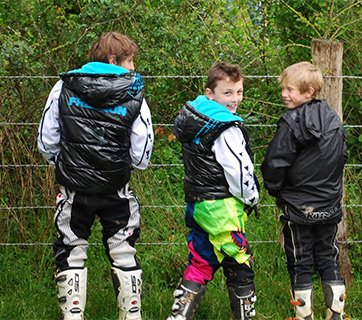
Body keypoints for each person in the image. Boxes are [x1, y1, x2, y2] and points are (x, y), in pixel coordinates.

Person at [37, 31, 154, 320]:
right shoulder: (133, 91)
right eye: (130, 61)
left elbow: (46, 140)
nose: (133, 68)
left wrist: (64, 165)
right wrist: (126, 167)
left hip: (75, 190)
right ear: (114, 60)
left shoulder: (63, 87)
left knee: (72, 249)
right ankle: (131, 316)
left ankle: (73, 316)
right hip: (116, 188)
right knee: (123, 250)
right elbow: (142, 149)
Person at [167, 61, 259, 320]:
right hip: (223, 209)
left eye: (239, 92)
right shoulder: (225, 127)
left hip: (199, 205)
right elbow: (238, 171)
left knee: (201, 261)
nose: (234, 99)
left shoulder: (196, 116)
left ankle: (179, 316)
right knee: (239, 264)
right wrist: (252, 197)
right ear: (210, 93)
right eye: (227, 93)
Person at [260, 61, 349, 320]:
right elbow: (341, 156)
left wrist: (276, 192)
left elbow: (274, 163)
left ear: (309, 91)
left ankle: (303, 316)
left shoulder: (290, 122)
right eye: (284, 89)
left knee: (300, 261)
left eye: (290, 90)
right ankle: (336, 314)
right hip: (329, 205)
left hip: (298, 207)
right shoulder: (334, 118)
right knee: (328, 257)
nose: (284, 94)